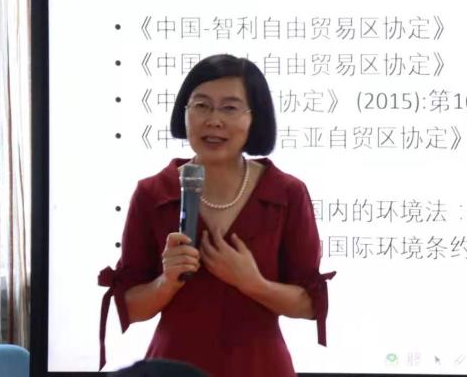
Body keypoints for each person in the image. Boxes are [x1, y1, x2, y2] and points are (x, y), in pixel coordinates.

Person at [98, 54, 335, 377]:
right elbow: (131, 308)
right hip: (174, 368)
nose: (214, 120)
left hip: (260, 366)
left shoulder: (285, 193)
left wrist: (252, 283)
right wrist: (167, 282)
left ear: (255, 118)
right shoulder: (154, 193)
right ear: (184, 112)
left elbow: (309, 305)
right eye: (201, 105)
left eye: (230, 108)